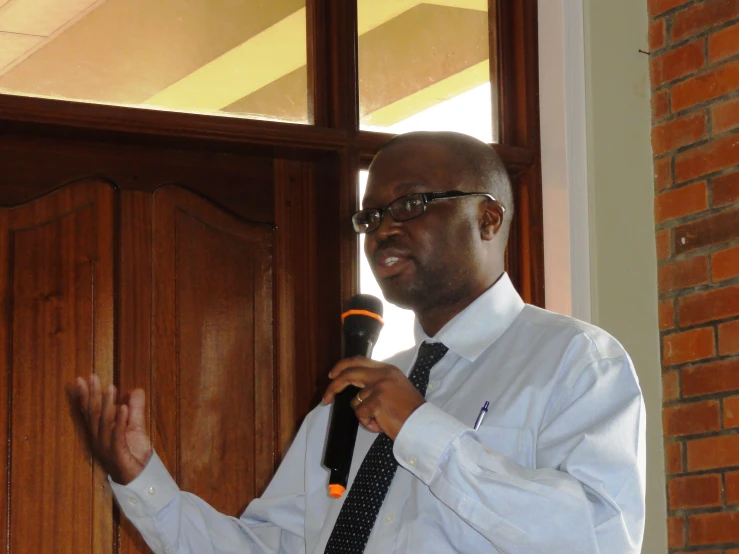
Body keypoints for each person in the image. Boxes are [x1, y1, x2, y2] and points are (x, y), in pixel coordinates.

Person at [75, 131, 646, 553]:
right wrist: (143, 481)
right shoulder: (357, 394)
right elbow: (270, 546)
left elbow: (596, 538)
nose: (383, 230)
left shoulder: (575, 361)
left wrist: (420, 427)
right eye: (371, 215)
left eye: (412, 204)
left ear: (488, 218)